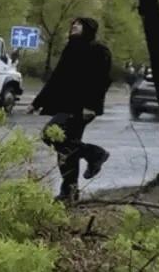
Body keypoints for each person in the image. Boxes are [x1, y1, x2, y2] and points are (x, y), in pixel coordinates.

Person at [27, 17, 112, 203]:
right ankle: (69, 192)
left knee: (50, 134)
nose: (73, 26)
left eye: (78, 24)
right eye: (72, 24)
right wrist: (37, 102)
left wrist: (91, 106)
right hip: (66, 105)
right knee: (66, 150)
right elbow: (56, 78)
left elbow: (102, 81)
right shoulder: (71, 49)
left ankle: (95, 153)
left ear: (88, 28)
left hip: (83, 108)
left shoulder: (99, 50)